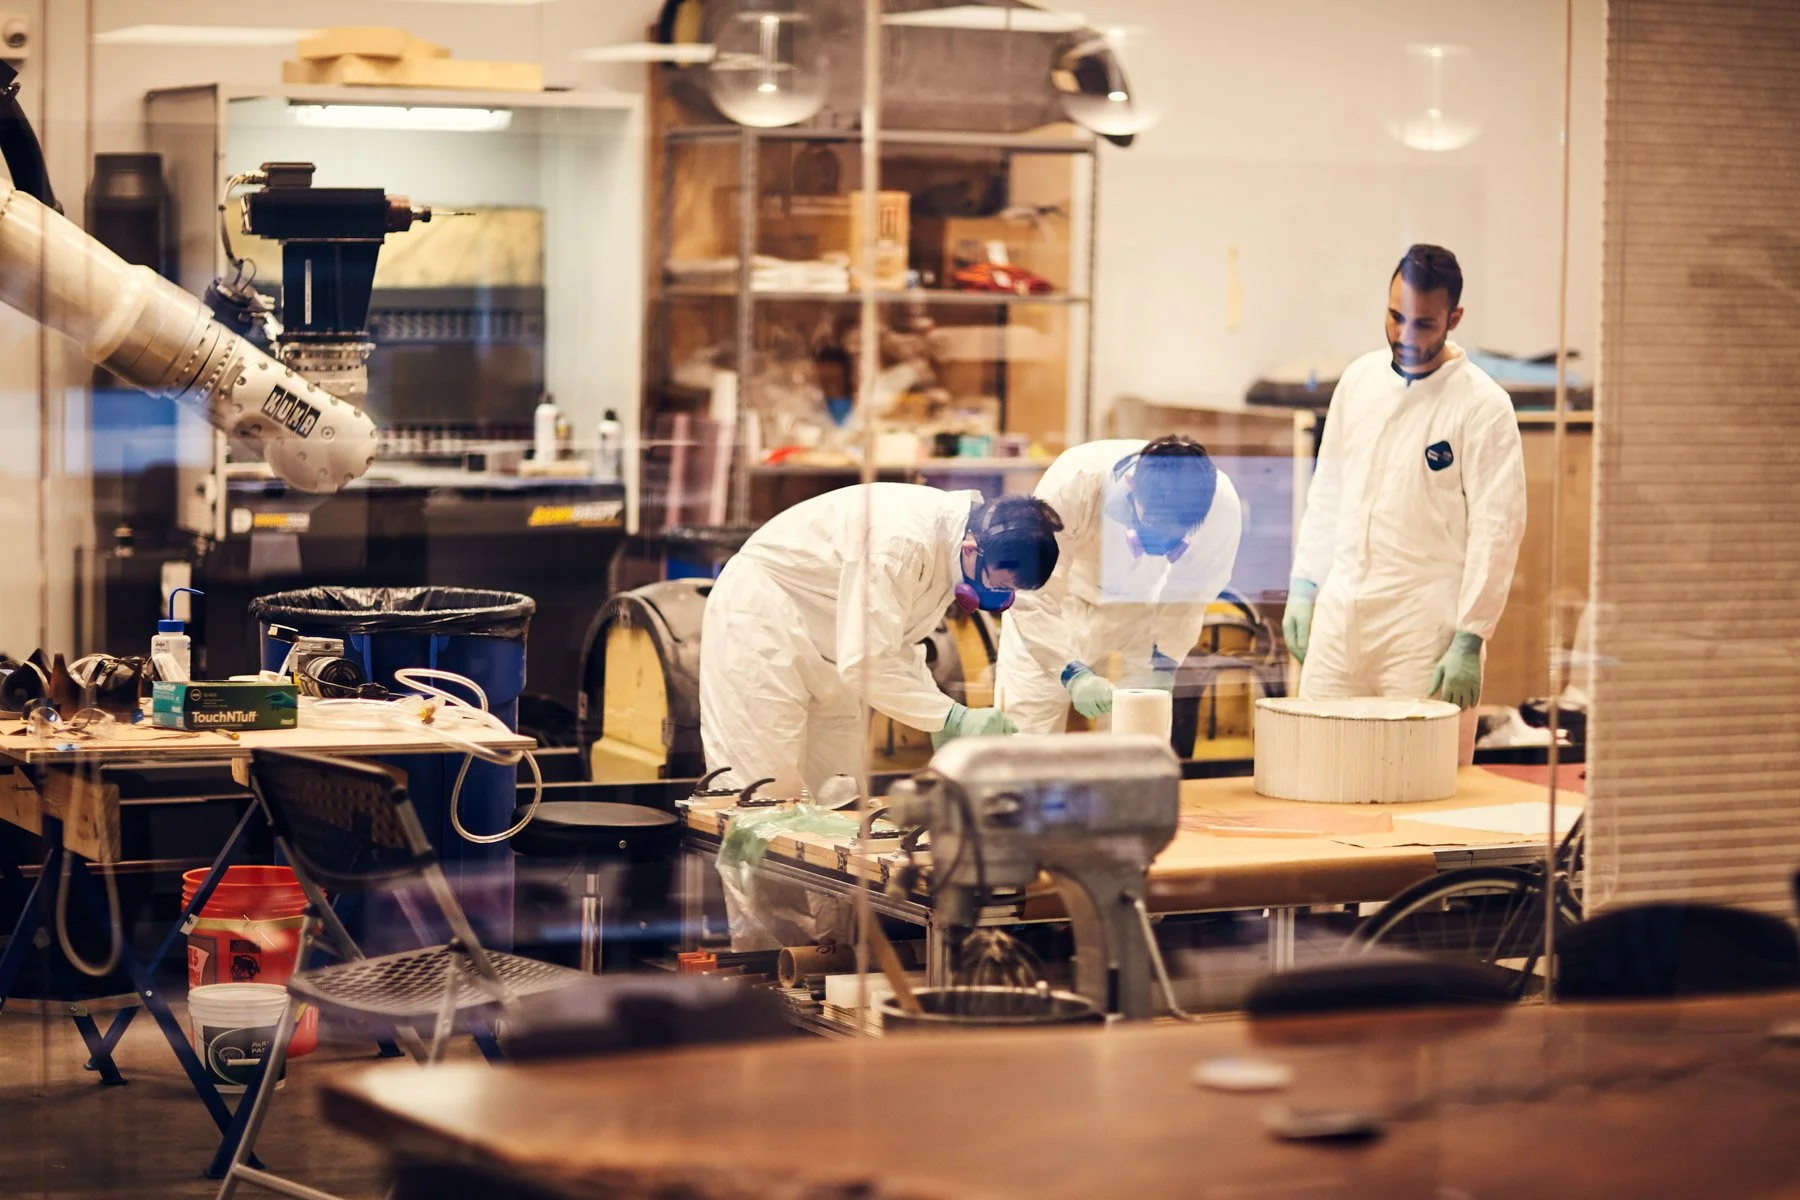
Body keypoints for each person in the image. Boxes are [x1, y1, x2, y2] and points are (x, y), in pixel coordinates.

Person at [1284, 243, 1527, 762]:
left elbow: (1497, 528)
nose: (1405, 336)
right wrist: (1305, 585)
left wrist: (1470, 636)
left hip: (1422, 627)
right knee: (1316, 763)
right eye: (1395, 318)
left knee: (1417, 776)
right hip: (1342, 611)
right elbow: (1327, 491)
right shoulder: (1359, 381)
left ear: (1454, 318)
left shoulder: (1483, 406)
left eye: (1424, 324)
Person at [700, 483, 1063, 801]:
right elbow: (867, 660)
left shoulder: (950, 544)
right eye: (997, 585)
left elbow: (897, 645)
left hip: (833, 643)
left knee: (838, 795)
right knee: (761, 794)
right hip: (763, 624)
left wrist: (939, 718)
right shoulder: (901, 543)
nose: (993, 596)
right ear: (972, 549)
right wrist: (951, 716)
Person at [995, 436, 1243, 735]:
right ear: (1131, 484)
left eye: (1174, 535)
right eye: (1153, 525)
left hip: (1142, 610)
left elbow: (1191, 590)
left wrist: (1165, 660)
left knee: (1139, 738)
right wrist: (1074, 675)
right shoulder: (1074, 482)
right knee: (1027, 734)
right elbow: (1032, 593)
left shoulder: (1222, 503)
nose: (1162, 543)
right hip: (1061, 606)